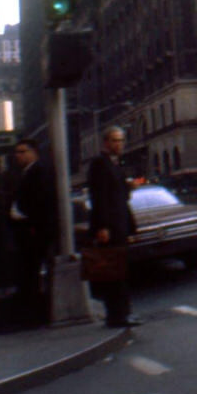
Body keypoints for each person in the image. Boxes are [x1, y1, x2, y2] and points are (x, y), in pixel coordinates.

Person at [84, 126, 139, 327]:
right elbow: (99, 198)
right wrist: (103, 227)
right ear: (106, 143)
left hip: (119, 225)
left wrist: (127, 187)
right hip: (110, 228)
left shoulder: (115, 164)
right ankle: (116, 316)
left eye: (121, 140)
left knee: (120, 271)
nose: (119, 144)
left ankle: (122, 313)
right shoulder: (99, 164)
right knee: (113, 273)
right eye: (115, 140)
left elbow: (120, 198)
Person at [10, 139, 57, 326]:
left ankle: (36, 313)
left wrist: (29, 223)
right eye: (16, 152)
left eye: (22, 151)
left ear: (34, 152)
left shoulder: (39, 172)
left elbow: (40, 202)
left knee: (32, 270)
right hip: (28, 231)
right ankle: (31, 309)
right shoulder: (25, 173)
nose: (18, 155)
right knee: (28, 271)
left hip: (35, 231)